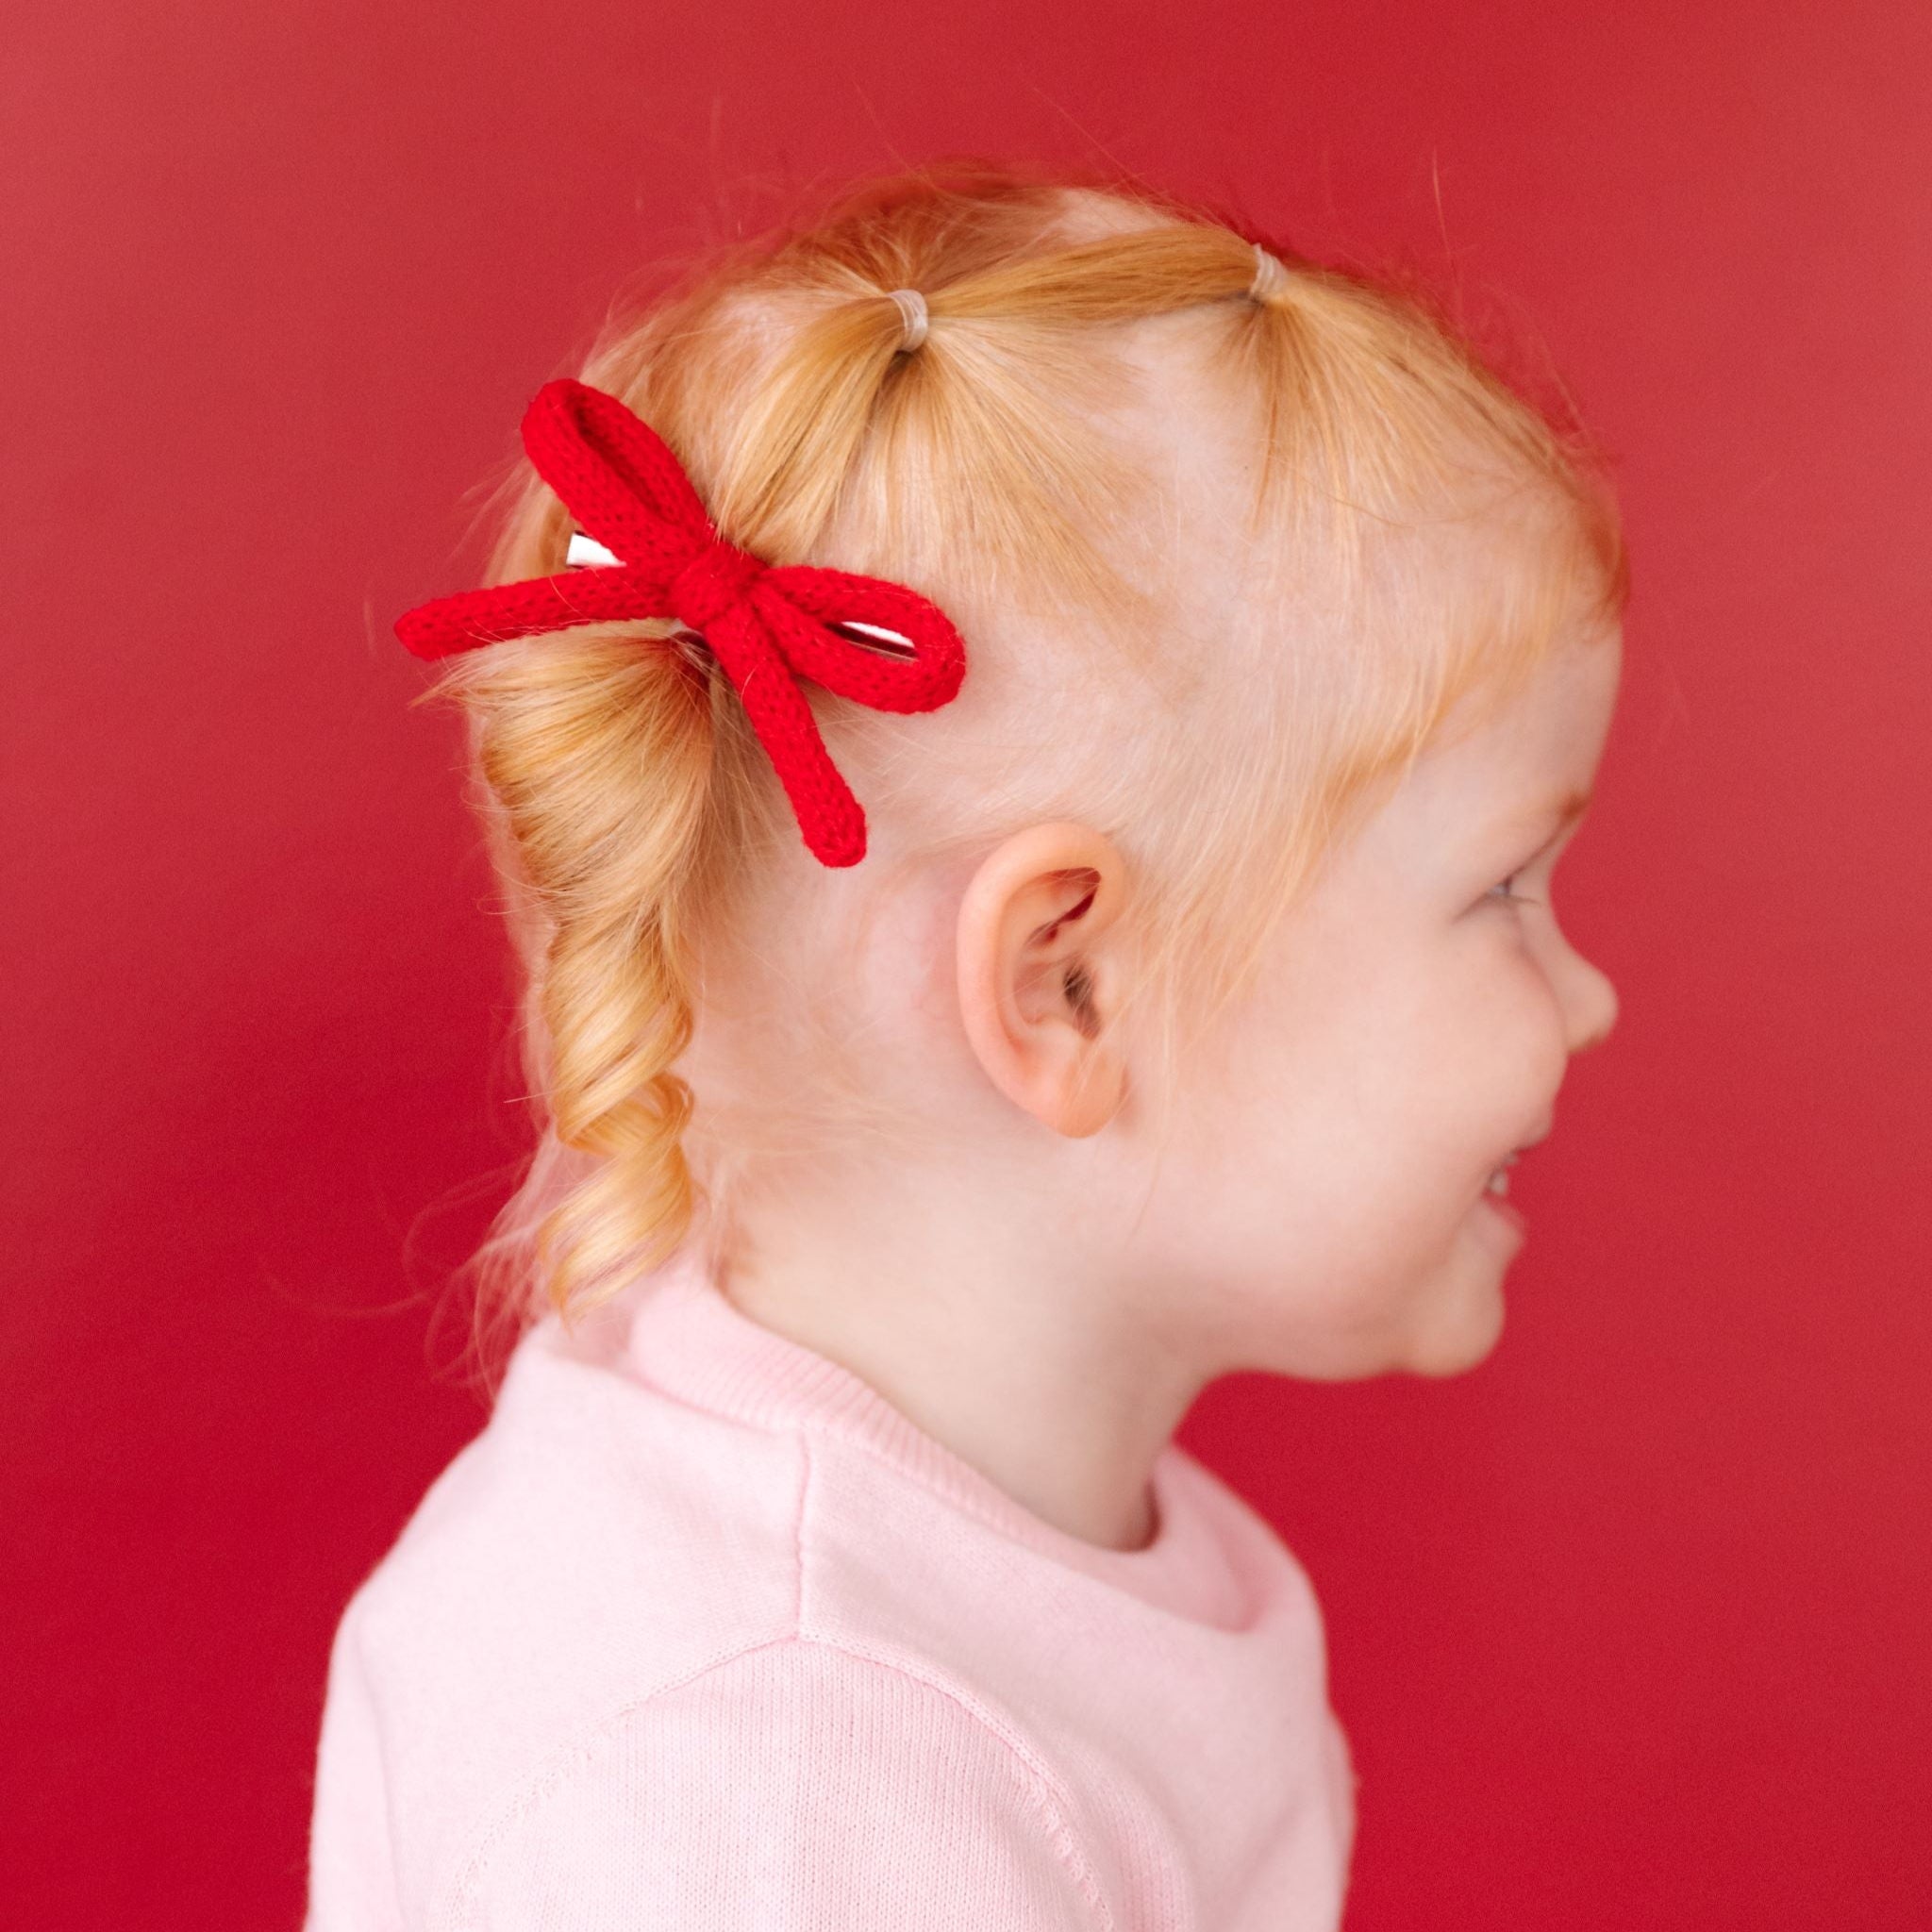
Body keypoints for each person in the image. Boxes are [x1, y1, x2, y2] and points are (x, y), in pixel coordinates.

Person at [303, 158, 1624, 1930]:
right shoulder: (784, 1785)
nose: (1593, 994)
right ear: (1067, 985)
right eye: (1507, 888)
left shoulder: (963, 1579)